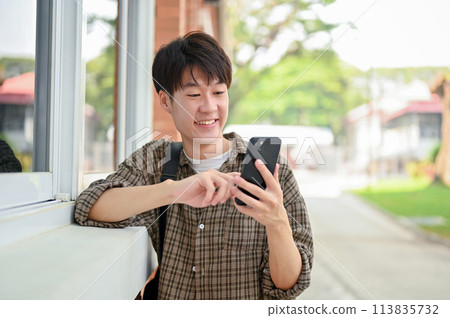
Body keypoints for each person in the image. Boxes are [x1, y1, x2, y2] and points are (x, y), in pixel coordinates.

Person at [74, 31, 313, 300]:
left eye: (219, 92)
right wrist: (174, 190)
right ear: (166, 101)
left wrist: (277, 222)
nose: (209, 107)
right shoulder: (155, 161)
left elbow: (289, 285)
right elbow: (89, 207)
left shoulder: (267, 169)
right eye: (194, 94)